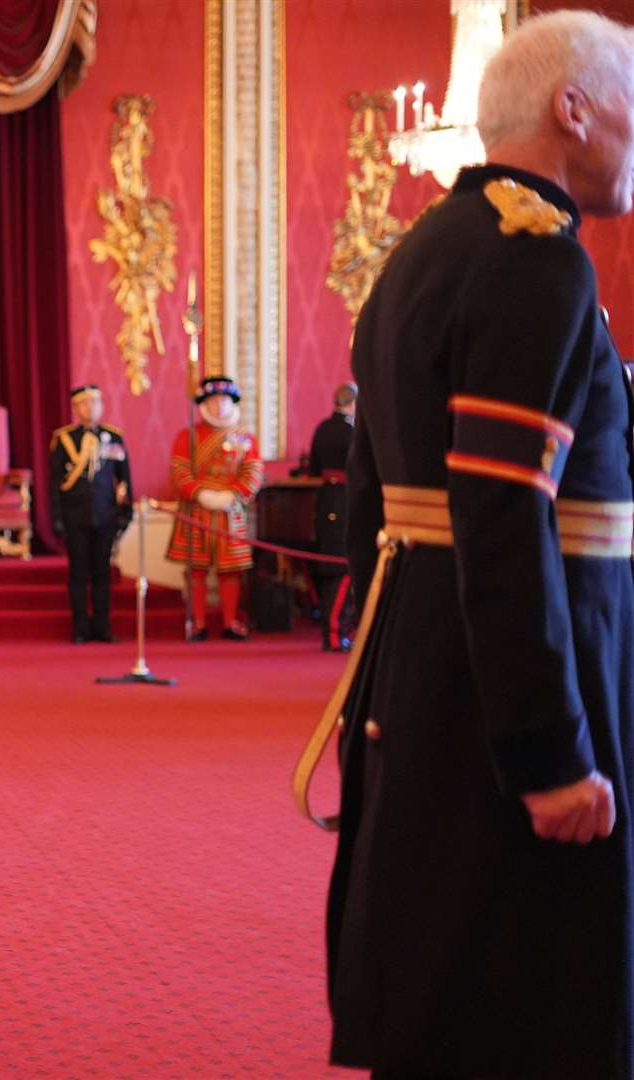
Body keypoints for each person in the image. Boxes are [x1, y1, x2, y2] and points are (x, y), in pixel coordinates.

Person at [327, 13, 634, 1076]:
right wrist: (552, 755)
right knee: (536, 1012)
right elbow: (504, 519)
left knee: (439, 991)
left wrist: (378, 697)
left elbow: (372, 514)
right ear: (573, 107)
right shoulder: (537, 262)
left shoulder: (419, 252)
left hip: (428, 679)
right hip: (525, 699)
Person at [165, 376, 263, 640]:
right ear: (204, 404)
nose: (219, 406)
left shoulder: (246, 438)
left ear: (232, 403)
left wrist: (233, 495)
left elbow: (253, 473)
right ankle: (198, 622)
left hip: (231, 512)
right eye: (213, 400)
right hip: (196, 510)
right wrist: (200, 494)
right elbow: (179, 471)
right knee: (196, 569)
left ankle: (230, 621)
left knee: (230, 570)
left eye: (224, 400)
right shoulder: (188, 435)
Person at [48, 384, 132, 643]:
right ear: (76, 408)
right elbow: (54, 483)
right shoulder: (63, 439)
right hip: (75, 516)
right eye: (84, 403)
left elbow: (125, 479)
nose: (90, 407)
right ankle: (80, 627)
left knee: (102, 574)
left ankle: (103, 626)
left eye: (95, 402)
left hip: (105, 515)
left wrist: (124, 513)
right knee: (78, 573)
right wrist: (57, 518)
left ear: (102, 406)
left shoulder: (114, 437)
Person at [305, 382, 356, 652]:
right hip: (345, 501)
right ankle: (334, 633)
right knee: (341, 568)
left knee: (330, 568)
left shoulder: (323, 428)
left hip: (326, 500)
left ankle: (333, 630)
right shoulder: (352, 430)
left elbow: (313, 467)